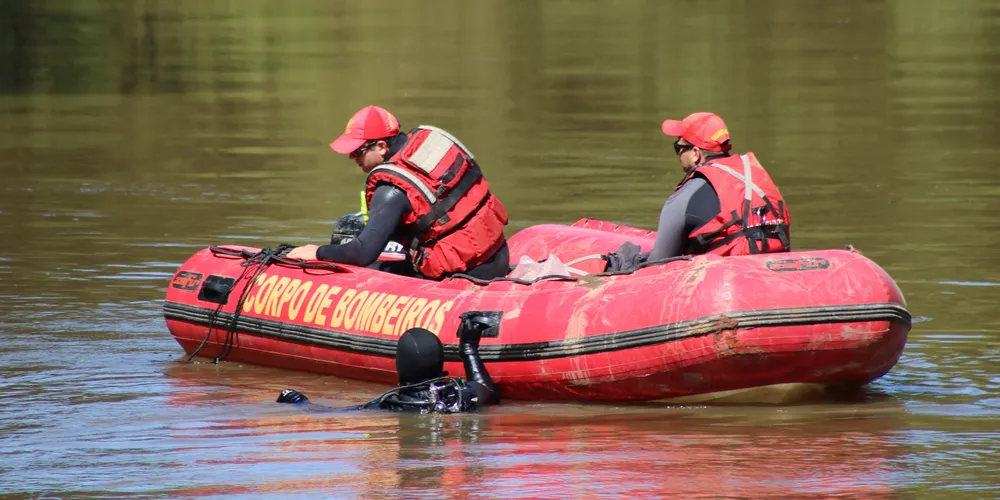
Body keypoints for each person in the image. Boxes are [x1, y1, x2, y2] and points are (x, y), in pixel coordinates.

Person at [285, 105, 511, 281]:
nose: (352, 158)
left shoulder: (391, 190)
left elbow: (363, 253)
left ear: (382, 146)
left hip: (467, 276)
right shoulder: (429, 152)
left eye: (358, 151)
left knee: (372, 268)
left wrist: (317, 252)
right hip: (498, 257)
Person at [277, 311, 499, 414]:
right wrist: (469, 347)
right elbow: (487, 389)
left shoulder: (390, 405)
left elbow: (328, 412)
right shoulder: (460, 397)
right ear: (441, 364)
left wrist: (297, 400)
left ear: (399, 367)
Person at [648, 112, 791, 260]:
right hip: (773, 270)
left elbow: (659, 261)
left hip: (726, 276)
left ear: (696, 153)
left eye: (679, 148)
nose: (678, 154)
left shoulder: (685, 196)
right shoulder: (754, 179)